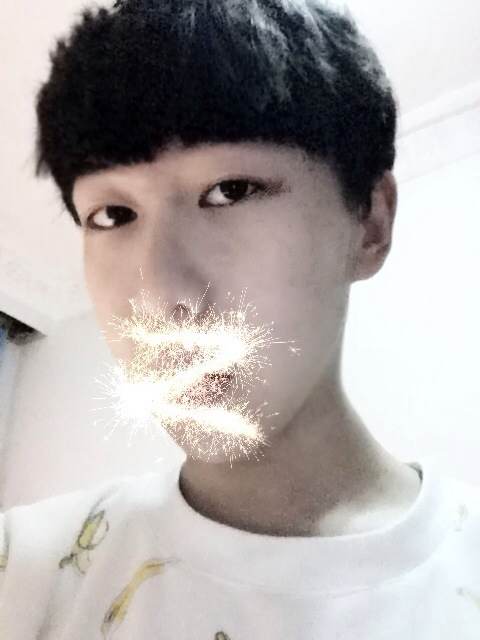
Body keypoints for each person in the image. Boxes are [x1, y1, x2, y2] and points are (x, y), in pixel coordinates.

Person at [1, 0, 479, 637]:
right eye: (112, 215)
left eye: (230, 190)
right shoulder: (25, 571)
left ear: (370, 221)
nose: (160, 300)